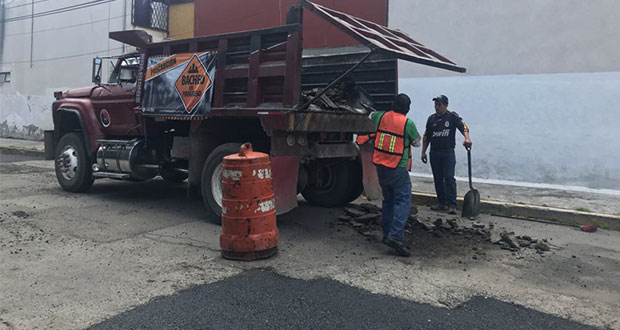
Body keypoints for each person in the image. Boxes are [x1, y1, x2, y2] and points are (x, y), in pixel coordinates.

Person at [360, 93, 421, 257]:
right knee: (403, 200)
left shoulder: (381, 117)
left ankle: (387, 234)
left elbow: (370, 114)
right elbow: (417, 143)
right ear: (407, 109)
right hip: (398, 167)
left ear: (393, 104)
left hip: (381, 166)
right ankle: (395, 236)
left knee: (388, 201)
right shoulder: (408, 123)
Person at [421, 95, 472, 215]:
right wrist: (423, 151)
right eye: (435, 105)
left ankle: (452, 204)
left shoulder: (452, 116)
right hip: (434, 152)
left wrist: (467, 138)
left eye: (439, 105)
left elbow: (463, 127)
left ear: (445, 105)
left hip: (448, 152)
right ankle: (441, 203)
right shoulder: (431, 119)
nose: (436, 107)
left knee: (449, 177)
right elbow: (426, 136)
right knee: (437, 179)